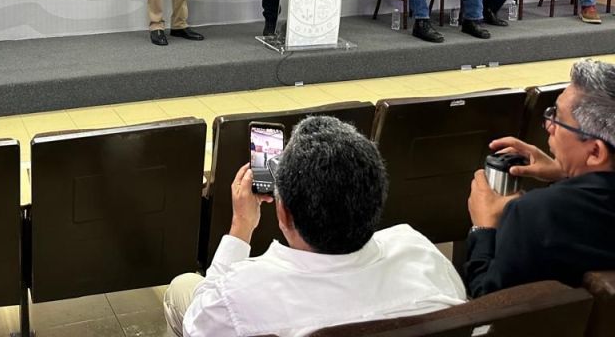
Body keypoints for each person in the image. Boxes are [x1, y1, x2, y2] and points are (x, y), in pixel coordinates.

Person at [163, 116, 465, 337]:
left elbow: (198, 322)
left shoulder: (238, 295)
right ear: (376, 198)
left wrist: (241, 225)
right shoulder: (421, 255)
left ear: (284, 214)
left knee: (182, 288)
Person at [464, 59, 615, 296]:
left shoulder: (535, 213)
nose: (548, 125)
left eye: (558, 118)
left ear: (595, 152)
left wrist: (483, 228)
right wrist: (566, 171)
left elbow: (489, 302)